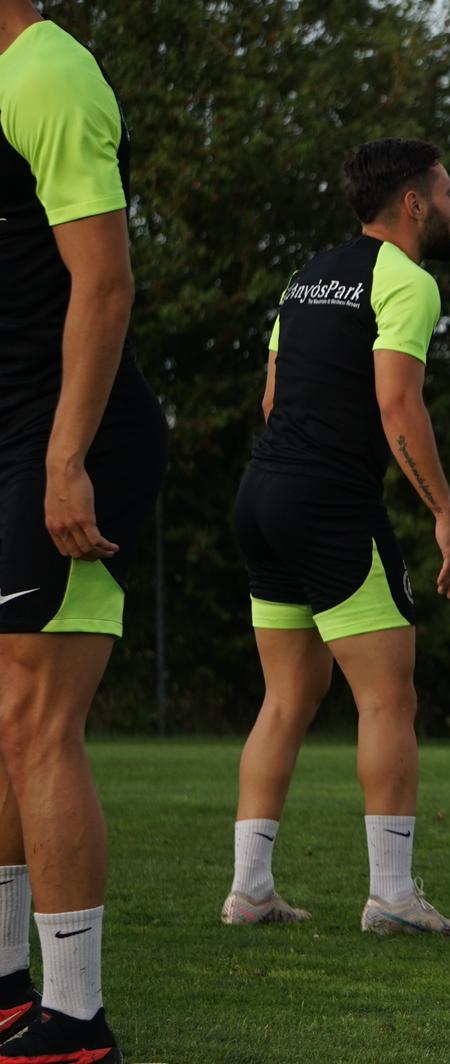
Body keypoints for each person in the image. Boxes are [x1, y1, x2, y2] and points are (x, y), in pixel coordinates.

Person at [221, 138, 450, 938]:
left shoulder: (307, 276)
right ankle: (393, 896)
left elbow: (272, 400)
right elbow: (399, 406)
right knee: (388, 697)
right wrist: (444, 512)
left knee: (287, 697)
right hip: (329, 504)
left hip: (262, 495)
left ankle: (250, 890)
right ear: (413, 203)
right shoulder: (408, 280)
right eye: (448, 193)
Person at [0, 5, 168, 1057]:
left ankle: (73, 1020)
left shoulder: (47, 71)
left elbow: (105, 284)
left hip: (68, 436)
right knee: (3, 720)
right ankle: (6, 990)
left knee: (37, 718)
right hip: (14, 436)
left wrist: (66, 460)